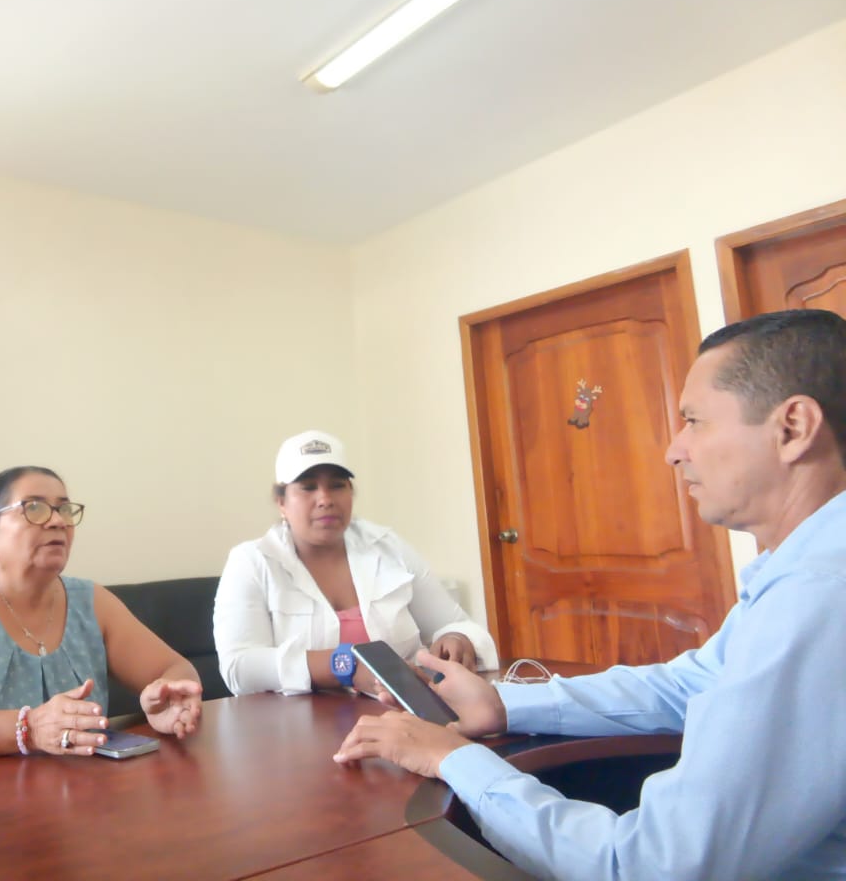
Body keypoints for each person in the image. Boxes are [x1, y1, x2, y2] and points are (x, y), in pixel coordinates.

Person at [333, 309, 846, 881]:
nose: (674, 450)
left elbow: (649, 867)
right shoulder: (804, 569)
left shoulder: (819, 595)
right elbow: (693, 682)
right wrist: (504, 704)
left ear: (793, 427)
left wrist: (455, 761)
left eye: (694, 421)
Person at [0, 465, 203, 759]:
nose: (58, 521)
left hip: (85, 793)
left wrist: (168, 704)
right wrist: (28, 728)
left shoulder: (91, 601)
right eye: (34, 507)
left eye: (64, 509)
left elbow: (175, 669)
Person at [213, 430, 497, 697]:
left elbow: (456, 624)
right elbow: (239, 667)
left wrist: (458, 639)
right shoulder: (252, 561)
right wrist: (346, 665)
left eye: (337, 486)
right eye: (308, 487)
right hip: (300, 723)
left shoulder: (388, 546)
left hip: (404, 712)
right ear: (281, 502)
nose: (325, 499)